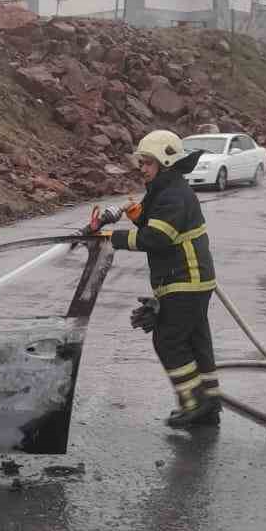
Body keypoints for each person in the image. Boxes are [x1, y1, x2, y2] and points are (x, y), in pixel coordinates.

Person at [77, 130, 219, 429]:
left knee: (168, 341)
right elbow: (155, 222)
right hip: (191, 281)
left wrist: (111, 238)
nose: (141, 168)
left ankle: (194, 403)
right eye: (141, 162)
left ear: (165, 163)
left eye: (147, 162)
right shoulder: (166, 189)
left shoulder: (173, 195)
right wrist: (137, 214)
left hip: (185, 280)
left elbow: (156, 237)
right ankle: (209, 404)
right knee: (195, 341)